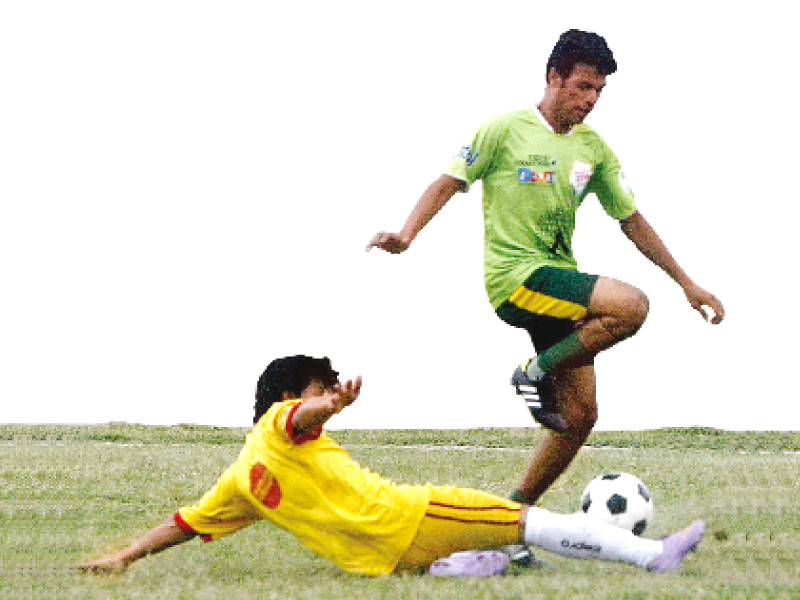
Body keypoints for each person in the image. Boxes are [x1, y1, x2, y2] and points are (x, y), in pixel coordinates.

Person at [366, 29, 725, 507]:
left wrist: (687, 282)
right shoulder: (504, 129)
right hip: (516, 280)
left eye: (599, 90)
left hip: (558, 280)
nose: (591, 100)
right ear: (554, 78)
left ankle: (512, 518)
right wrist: (407, 234)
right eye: (582, 87)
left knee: (579, 417)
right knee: (631, 307)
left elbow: (631, 219)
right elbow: (448, 180)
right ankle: (533, 372)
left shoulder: (593, 147)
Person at [79, 355, 704, 577]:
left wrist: (124, 556)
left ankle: (465, 565)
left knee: (482, 550)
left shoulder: (241, 477)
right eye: (317, 385)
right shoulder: (283, 419)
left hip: (375, 560)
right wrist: (330, 402)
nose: (323, 397)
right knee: (525, 520)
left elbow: (185, 524)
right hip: (406, 516)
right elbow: (299, 417)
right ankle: (650, 557)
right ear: (295, 392)